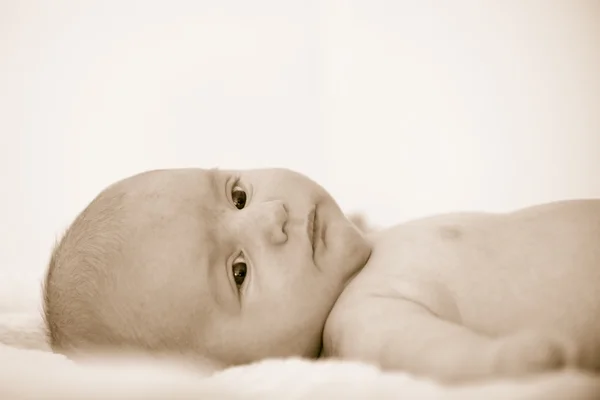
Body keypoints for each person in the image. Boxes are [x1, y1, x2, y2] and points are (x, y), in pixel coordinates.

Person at [43, 168, 600, 382]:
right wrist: (500, 364)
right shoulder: (361, 318)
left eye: (238, 195)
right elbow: (432, 357)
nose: (270, 217)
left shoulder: (364, 254)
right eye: (238, 272)